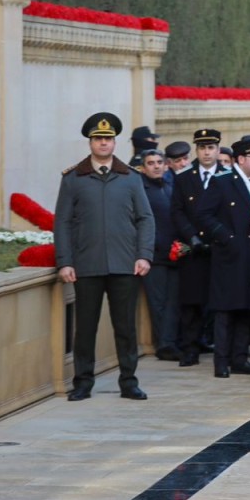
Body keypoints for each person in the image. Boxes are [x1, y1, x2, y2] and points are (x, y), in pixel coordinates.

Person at [55, 112, 156, 401]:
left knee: (125, 326)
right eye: (99, 139)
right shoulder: (74, 178)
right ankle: (83, 382)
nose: (103, 143)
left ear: (115, 143)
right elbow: (62, 221)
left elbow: (145, 219)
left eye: (108, 139)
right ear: (90, 142)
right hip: (86, 265)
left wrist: (144, 255)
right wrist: (65, 261)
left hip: (126, 264)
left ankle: (129, 381)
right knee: (84, 327)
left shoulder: (130, 177)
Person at [197, 136, 250, 378]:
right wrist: (226, 236)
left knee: (247, 309)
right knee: (225, 310)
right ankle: (221, 360)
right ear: (241, 159)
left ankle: (240, 358)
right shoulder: (222, 183)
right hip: (229, 256)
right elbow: (204, 214)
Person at [171, 128, 224, 367]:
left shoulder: (227, 176)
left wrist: (217, 237)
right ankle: (190, 349)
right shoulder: (184, 177)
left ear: (217, 149)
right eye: (202, 148)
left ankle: (223, 350)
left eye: (211, 147)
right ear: (197, 150)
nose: (206, 152)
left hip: (218, 248)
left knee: (221, 303)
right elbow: (178, 211)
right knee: (191, 303)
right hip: (193, 249)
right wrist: (191, 236)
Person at [138, 148, 181, 362]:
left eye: (159, 162)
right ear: (143, 168)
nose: (156, 166)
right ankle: (163, 344)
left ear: (166, 165)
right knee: (158, 302)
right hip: (153, 255)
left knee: (174, 301)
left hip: (175, 254)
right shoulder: (141, 189)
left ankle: (171, 341)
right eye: (151, 163)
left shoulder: (172, 186)